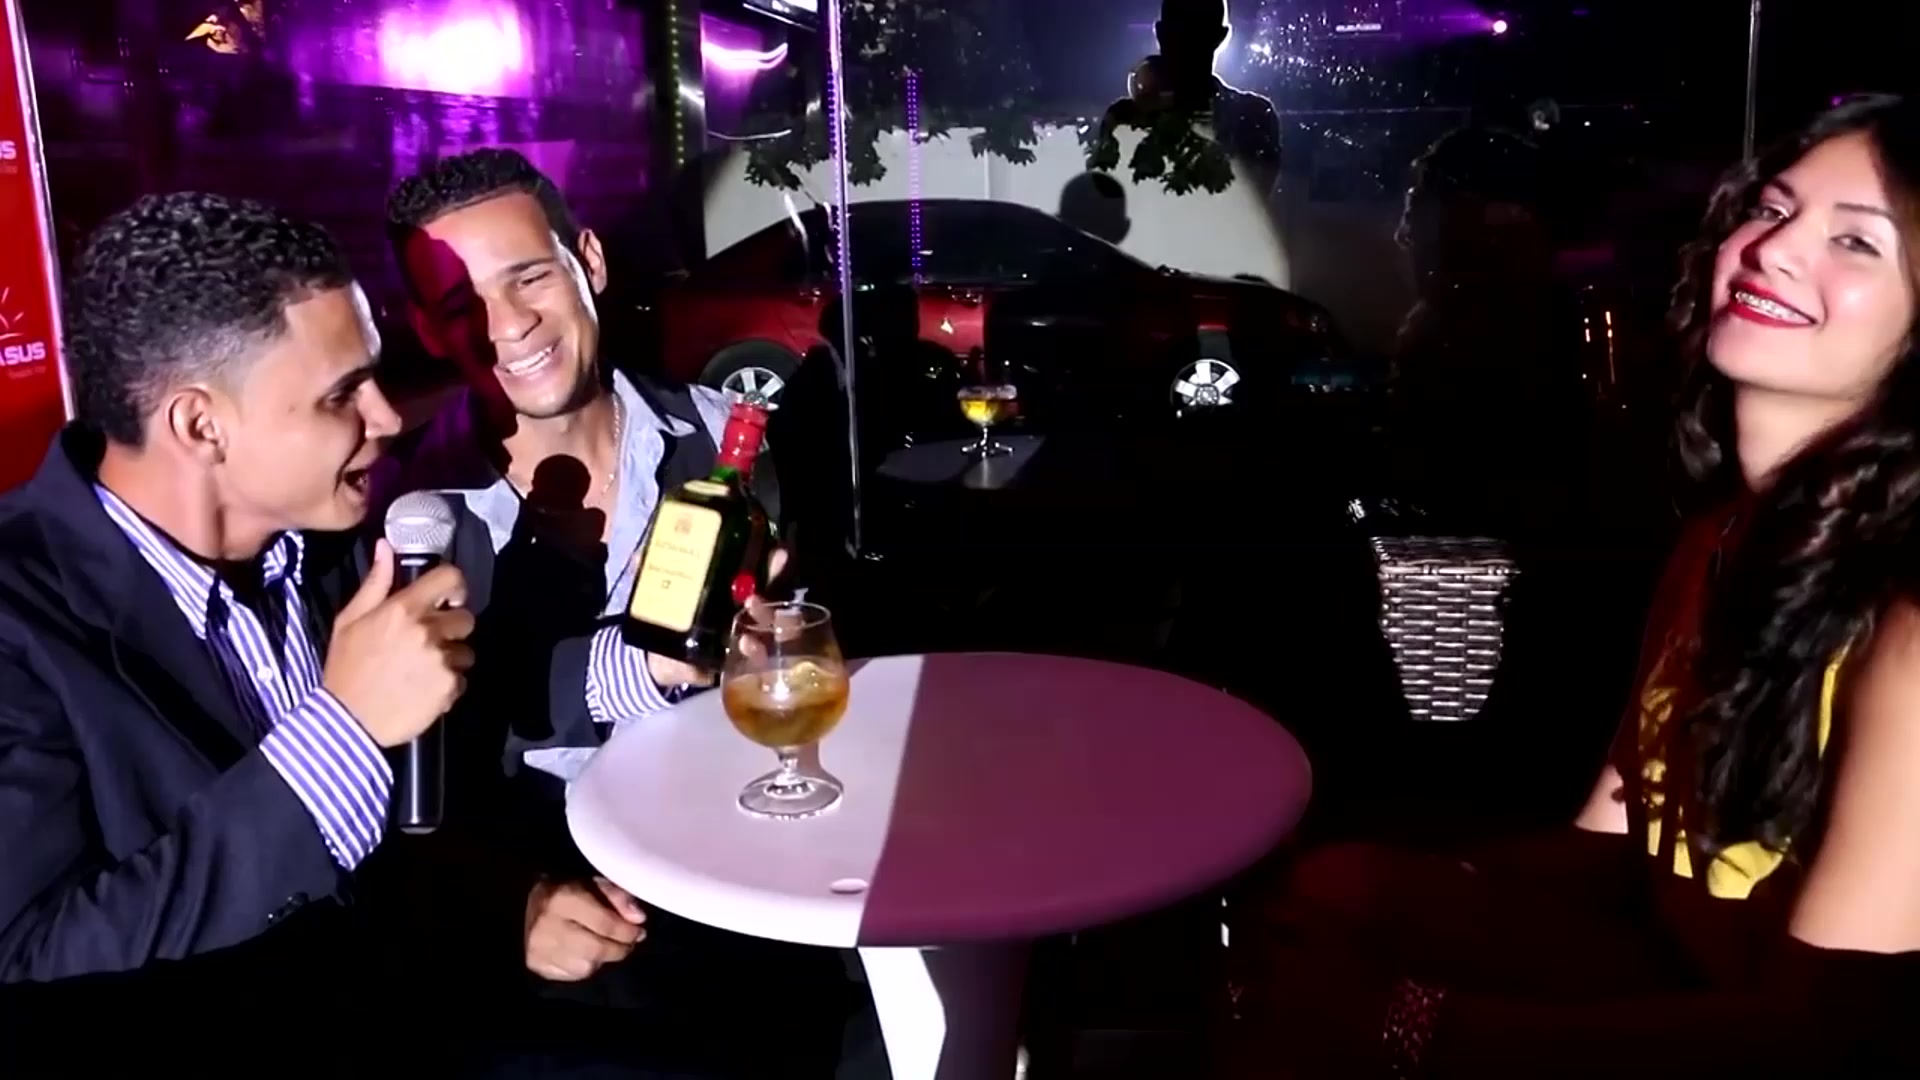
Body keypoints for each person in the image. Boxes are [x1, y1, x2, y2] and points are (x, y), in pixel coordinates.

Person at [1222, 94, 1920, 1076]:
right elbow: (1613, 852)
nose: (1773, 249)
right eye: (1771, 209)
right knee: (1328, 901)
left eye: (1857, 242)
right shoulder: (1718, 540)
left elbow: (1826, 1036)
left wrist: (1412, 1026)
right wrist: (1375, 883)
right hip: (1683, 976)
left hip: (1772, 1035)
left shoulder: (1905, 617)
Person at [379, 149, 859, 1074]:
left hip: (749, 893)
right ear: (429, 330)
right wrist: (508, 901)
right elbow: (406, 782)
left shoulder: (728, 440)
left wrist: (775, 640)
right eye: (462, 304)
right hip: (562, 948)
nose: (509, 323)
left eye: (529, 276)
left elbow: (810, 649)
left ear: (589, 262)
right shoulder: (409, 519)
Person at [0, 192, 474, 983]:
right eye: (342, 395)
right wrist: (346, 732)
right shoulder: (18, 621)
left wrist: (504, 901)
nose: (388, 417)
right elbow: (30, 951)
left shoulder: (339, 548)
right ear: (200, 426)